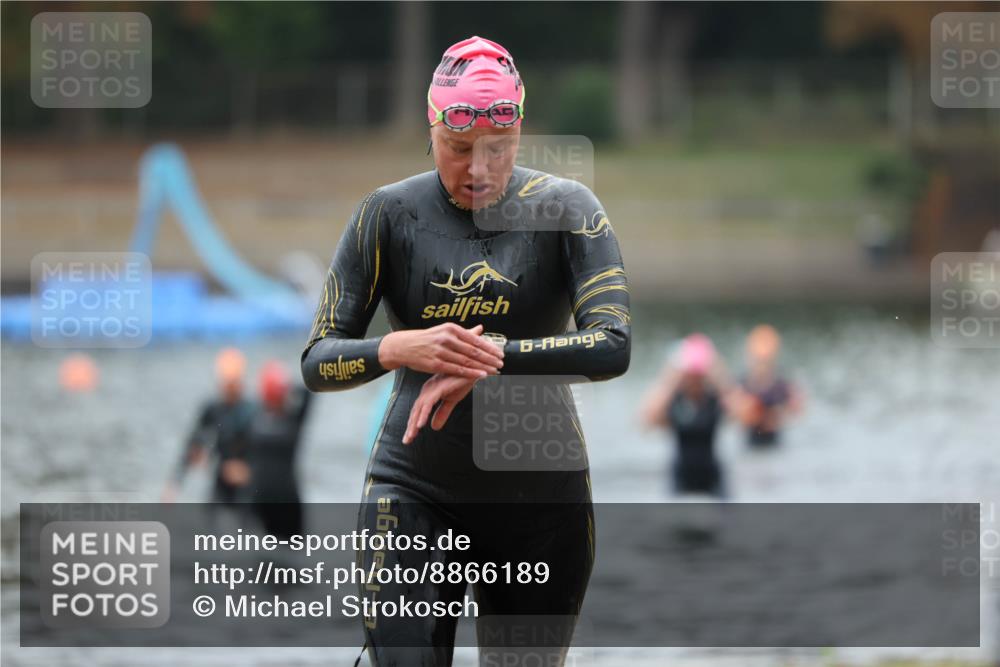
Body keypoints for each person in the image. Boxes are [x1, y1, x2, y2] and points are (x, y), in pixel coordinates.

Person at [301, 36, 630, 667]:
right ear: (432, 128)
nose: (478, 169)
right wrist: (400, 346)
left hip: (542, 504)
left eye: (498, 151)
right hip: (415, 489)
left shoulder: (569, 211)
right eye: (458, 150)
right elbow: (318, 360)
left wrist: (491, 358)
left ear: (519, 134)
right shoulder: (388, 215)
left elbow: (613, 346)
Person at [640, 334, 731, 498]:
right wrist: (670, 379)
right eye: (691, 374)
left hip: (713, 476)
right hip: (681, 475)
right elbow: (647, 421)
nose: (695, 380)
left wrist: (721, 377)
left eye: (699, 375)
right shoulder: (674, 399)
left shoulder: (715, 397)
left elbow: (747, 415)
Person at [163, 347, 257, 505]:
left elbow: (268, 455)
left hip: (248, 488)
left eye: (232, 384)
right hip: (220, 485)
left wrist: (248, 472)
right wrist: (174, 484)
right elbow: (193, 445)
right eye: (225, 383)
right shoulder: (213, 409)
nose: (228, 389)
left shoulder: (253, 411)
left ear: (241, 383)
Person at [242, 360, 312, 539]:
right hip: (263, 499)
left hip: (280, 499)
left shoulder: (291, 419)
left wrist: (285, 385)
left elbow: (309, 390)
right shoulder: (256, 416)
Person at [732, 324, 804, 448]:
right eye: (759, 360)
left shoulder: (781, 384)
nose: (762, 364)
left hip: (775, 441)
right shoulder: (743, 383)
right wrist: (750, 411)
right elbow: (734, 413)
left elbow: (797, 409)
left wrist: (776, 415)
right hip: (751, 442)